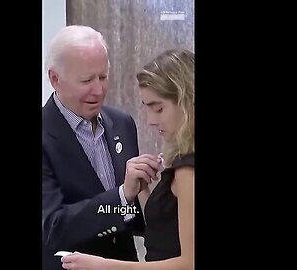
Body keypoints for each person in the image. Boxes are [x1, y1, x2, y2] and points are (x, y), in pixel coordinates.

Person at [61, 48, 196, 270]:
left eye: (159, 109)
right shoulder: (181, 163)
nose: (150, 121)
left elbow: (189, 263)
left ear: (187, 102)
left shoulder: (187, 171)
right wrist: (141, 190)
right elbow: (163, 231)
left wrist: (105, 266)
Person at [42, 25, 162, 270]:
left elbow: (132, 216)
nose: (98, 90)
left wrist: (155, 196)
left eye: (103, 77)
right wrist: (122, 196)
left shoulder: (122, 124)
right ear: (55, 79)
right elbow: (51, 227)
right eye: (87, 80)